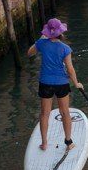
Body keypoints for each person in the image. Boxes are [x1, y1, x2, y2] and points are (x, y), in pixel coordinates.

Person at [27, 18, 83, 152]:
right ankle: (68, 142)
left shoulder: (41, 44)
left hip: (45, 83)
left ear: (47, 32)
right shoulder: (65, 49)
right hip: (61, 83)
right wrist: (76, 83)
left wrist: (41, 39)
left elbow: (29, 53)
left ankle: (44, 143)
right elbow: (70, 69)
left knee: (44, 114)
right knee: (65, 113)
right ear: (60, 33)